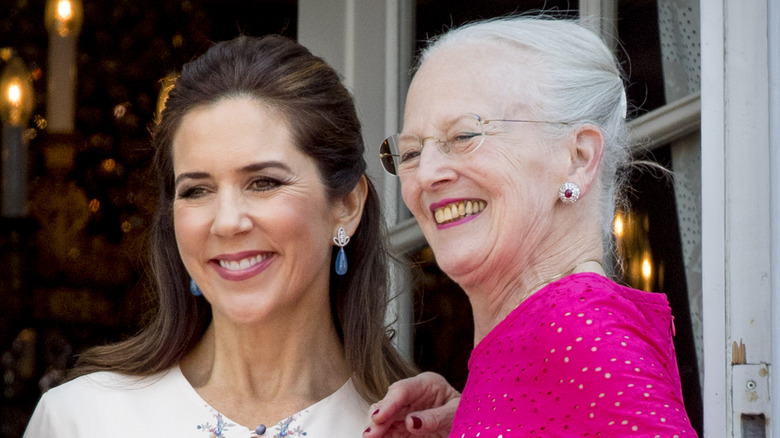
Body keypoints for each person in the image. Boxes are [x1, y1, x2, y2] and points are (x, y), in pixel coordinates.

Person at [24, 34, 416, 437]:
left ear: (347, 205)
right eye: (197, 190)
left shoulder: (415, 427)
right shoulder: (80, 420)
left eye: (263, 182)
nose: (227, 222)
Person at [365, 16, 697, 437]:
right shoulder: (543, 342)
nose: (426, 174)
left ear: (577, 157)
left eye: (465, 135)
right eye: (410, 152)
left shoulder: (580, 332)